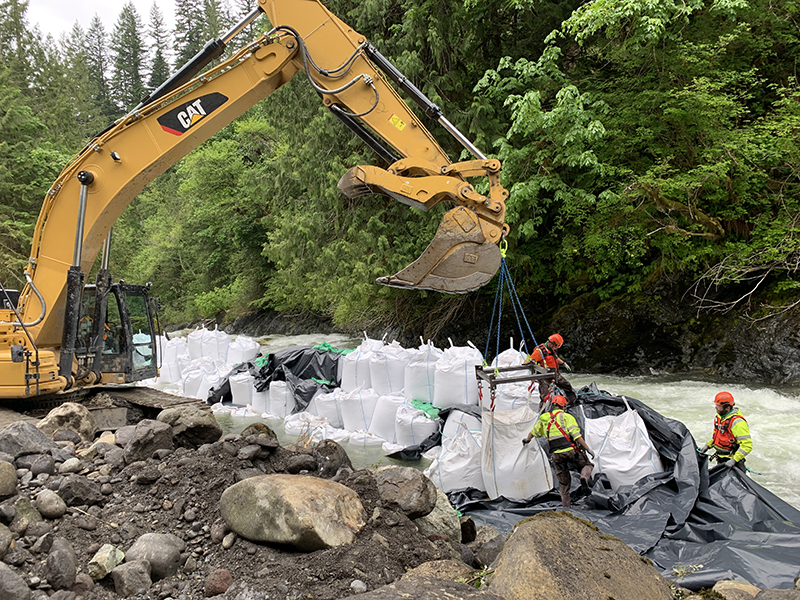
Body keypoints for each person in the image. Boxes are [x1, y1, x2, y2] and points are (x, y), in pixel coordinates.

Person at [522, 394, 595, 508]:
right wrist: (587, 448)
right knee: (587, 464)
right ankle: (584, 478)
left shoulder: (544, 419)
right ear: (563, 406)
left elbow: (534, 433)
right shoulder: (567, 417)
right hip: (571, 451)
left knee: (563, 483)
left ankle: (566, 508)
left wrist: (526, 440)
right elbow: (576, 435)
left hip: (556, 455)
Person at [699, 391, 752, 472]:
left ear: (727, 408)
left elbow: (747, 445)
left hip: (734, 464)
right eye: (716, 405)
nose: (715, 407)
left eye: (718, 406)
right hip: (721, 459)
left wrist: (734, 460)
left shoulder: (738, 422)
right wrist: (707, 446)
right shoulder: (720, 418)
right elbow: (717, 437)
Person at [528, 333, 576, 406]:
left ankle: (572, 403)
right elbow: (528, 361)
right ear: (551, 343)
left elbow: (555, 357)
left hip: (553, 373)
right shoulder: (539, 351)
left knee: (567, 385)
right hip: (544, 376)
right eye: (555, 347)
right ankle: (543, 413)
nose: (556, 349)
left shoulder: (551, 350)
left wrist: (563, 363)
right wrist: (531, 363)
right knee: (544, 397)